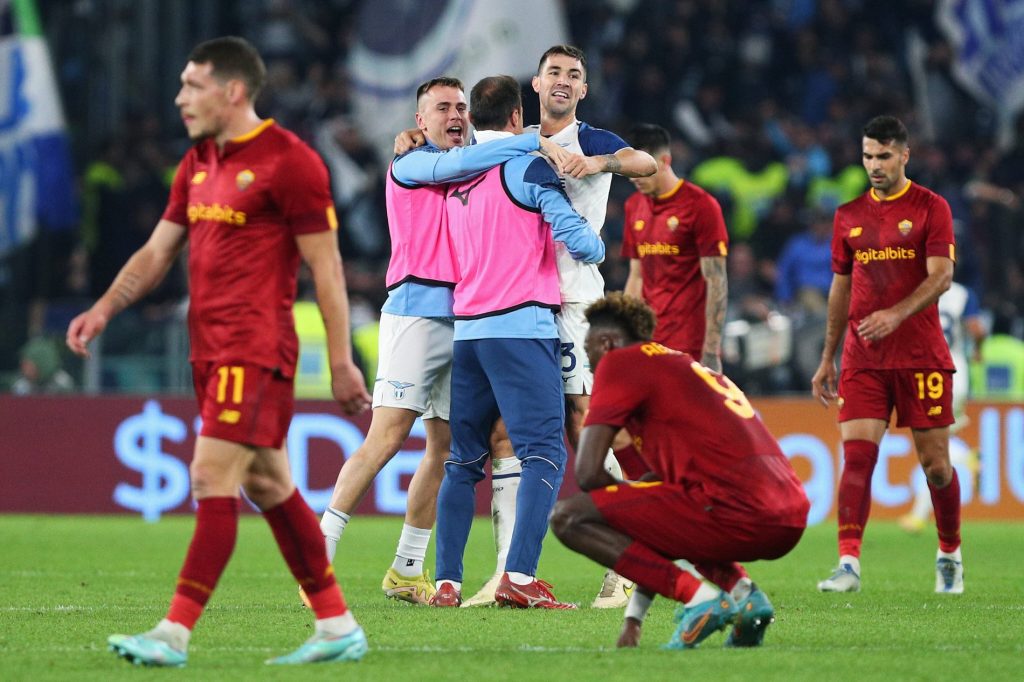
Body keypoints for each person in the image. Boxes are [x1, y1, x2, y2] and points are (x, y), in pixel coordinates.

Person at [66, 37, 371, 667]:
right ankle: (336, 624)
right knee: (268, 482)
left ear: (232, 91)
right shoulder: (197, 161)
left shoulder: (291, 162)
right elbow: (157, 252)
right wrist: (104, 308)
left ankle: (172, 633)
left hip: (254, 350)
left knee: (210, 477)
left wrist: (342, 361)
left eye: (192, 85)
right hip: (207, 352)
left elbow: (327, 270)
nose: (180, 98)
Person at [315, 77, 568, 606]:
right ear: (419, 119)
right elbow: (462, 161)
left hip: (466, 320)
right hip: (415, 312)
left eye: (460, 107)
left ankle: (408, 569)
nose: (454, 115)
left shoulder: (473, 166)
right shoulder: (412, 164)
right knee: (385, 438)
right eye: (442, 108)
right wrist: (534, 138)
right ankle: (316, 556)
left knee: (447, 448)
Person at [466, 44, 657, 609]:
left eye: (574, 74)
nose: (564, 80)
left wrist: (600, 164)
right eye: (554, 72)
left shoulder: (591, 140)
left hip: (573, 301)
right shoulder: (517, 143)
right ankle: (506, 573)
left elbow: (647, 164)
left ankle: (628, 563)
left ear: (583, 89)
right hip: (518, 300)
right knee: (504, 434)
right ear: (536, 83)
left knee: (583, 426)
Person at [428, 75, 605, 609]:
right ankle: (520, 577)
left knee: (463, 461)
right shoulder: (527, 166)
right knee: (545, 453)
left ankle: (446, 584)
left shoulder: (455, 172)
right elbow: (582, 243)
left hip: (468, 331)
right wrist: (595, 243)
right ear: (515, 118)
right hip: (520, 328)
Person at [550, 293, 808, 648]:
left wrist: (623, 514)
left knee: (567, 517)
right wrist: (634, 619)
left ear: (607, 343)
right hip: (789, 513)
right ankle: (747, 597)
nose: (590, 362)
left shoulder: (621, 362)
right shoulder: (680, 367)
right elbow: (659, 517)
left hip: (739, 508)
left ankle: (699, 599)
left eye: (589, 349)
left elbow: (588, 473)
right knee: (671, 507)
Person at [811, 115, 963, 594]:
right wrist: (828, 355)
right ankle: (848, 565)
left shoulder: (931, 207)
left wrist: (896, 315)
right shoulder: (848, 215)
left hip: (920, 355)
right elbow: (840, 288)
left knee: (936, 467)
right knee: (857, 458)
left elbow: (941, 276)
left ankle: (949, 552)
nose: (874, 165)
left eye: (883, 156)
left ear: (904, 155)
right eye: (867, 156)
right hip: (864, 356)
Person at [622, 123, 728, 369]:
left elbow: (716, 280)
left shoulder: (701, 206)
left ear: (665, 161)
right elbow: (636, 276)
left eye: (641, 170)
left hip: (689, 345)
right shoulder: (633, 206)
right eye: (630, 170)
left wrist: (711, 350)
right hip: (647, 342)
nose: (633, 178)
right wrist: (624, 334)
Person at [899, 281, 984, 532]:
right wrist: (977, 350)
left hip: (932, 376)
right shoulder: (963, 293)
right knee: (940, 444)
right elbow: (977, 329)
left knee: (935, 447)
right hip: (958, 374)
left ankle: (966, 458)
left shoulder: (915, 288)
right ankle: (920, 514)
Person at [11, 337, 75, 395]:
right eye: (23, 365)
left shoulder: (63, 384)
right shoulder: (22, 387)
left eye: (29, 366)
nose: (24, 370)